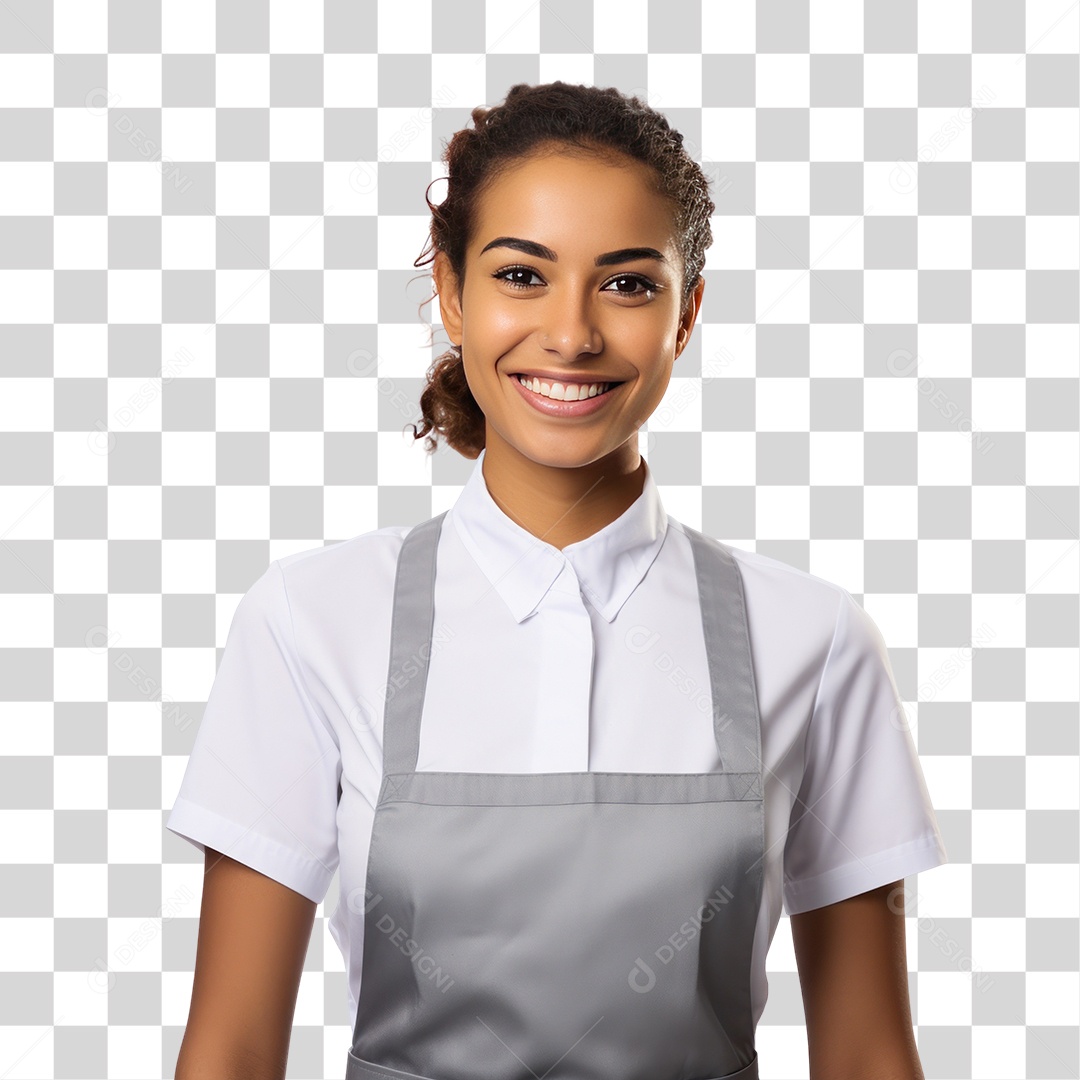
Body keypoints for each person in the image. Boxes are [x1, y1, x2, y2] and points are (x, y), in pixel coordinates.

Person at [167, 82, 948, 1080]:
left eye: (627, 285)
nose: (572, 334)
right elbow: (230, 1052)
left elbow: (870, 1055)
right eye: (521, 275)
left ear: (686, 313)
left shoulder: (813, 639)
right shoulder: (310, 621)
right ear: (453, 294)